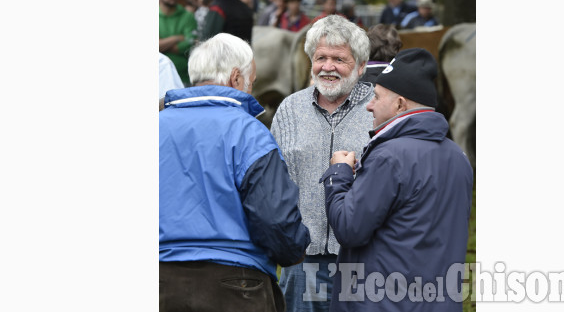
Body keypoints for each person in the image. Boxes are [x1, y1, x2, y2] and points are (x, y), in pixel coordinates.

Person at [160, 33, 311, 312]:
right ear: (235, 78)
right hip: (235, 283)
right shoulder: (248, 131)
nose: (250, 89)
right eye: (251, 81)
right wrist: (294, 249)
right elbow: (275, 218)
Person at [320, 48, 474, 312]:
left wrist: (339, 174)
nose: (369, 105)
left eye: (376, 97)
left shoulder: (390, 156)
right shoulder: (458, 157)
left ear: (400, 104)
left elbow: (349, 228)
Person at [270, 15, 374, 312]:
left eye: (339, 59)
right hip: (303, 259)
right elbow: (274, 181)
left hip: (361, 258)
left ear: (361, 66)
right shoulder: (290, 108)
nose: (327, 67)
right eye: (321, 58)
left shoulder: (376, 109)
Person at [159, 0, 197, 85]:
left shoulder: (187, 16)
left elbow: (190, 42)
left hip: (183, 78)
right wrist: (176, 38)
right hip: (158, 77)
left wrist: (163, 45)